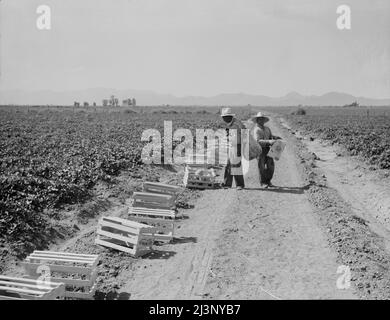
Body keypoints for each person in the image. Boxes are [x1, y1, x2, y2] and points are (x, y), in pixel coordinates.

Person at [251, 112, 281, 188]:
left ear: (264, 120)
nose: (261, 120)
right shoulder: (256, 130)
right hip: (259, 150)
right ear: (257, 120)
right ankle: (263, 182)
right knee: (261, 166)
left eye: (262, 119)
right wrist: (269, 141)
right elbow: (258, 141)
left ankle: (268, 181)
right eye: (259, 119)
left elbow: (270, 137)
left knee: (270, 165)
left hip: (268, 149)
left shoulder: (267, 129)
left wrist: (275, 138)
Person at [220, 107, 245, 190]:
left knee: (236, 164)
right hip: (230, 145)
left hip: (237, 145)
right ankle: (227, 183)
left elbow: (243, 133)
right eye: (224, 117)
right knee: (228, 165)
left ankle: (240, 184)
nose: (224, 119)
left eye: (226, 117)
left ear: (230, 117)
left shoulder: (236, 124)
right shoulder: (228, 124)